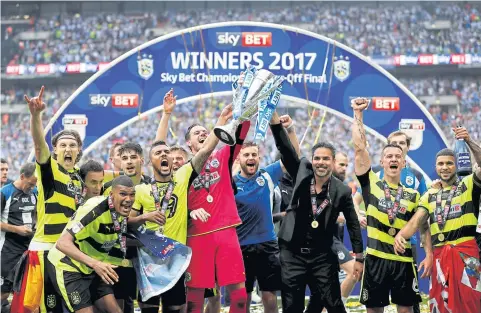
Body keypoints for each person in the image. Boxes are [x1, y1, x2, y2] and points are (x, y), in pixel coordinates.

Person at [131, 100, 233, 313]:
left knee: (176, 309)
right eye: (158, 154)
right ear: (150, 162)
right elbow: (128, 223)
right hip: (149, 261)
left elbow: (206, 149)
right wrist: (144, 217)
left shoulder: (182, 176)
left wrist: (221, 120)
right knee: (148, 309)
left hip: (175, 260)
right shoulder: (141, 190)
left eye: (166, 153)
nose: (164, 155)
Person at [156, 88, 250, 313]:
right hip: (196, 235)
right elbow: (157, 149)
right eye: (197, 132)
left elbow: (241, 133)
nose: (202, 133)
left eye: (205, 131)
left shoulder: (222, 157)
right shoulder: (181, 170)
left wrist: (243, 105)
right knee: (194, 302)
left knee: (239, 297)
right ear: (189, 144)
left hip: (226, 230)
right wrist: (166, 114)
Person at [270, 109, 364, 313]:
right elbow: (285, 148)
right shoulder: (302, 171)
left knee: (332, 304)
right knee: (291, 307)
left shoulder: (342, 191)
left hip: (322, 255)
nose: (321, 163)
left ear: (332, 162)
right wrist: (273, 119)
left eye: (326, 159)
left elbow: (353, 223)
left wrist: (359, 257)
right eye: (317, 158)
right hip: (292, 253)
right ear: (312, 161)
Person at [351, 98, 429, 313]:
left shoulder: (413, 194)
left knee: (406, 311)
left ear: (403, 162)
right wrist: (358, 114)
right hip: (376, 259)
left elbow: (424, 223)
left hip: (403, 261)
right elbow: (359, 149)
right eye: (389, 156)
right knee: (374, 310)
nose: (393, 159)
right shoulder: (371, 184)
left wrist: (429, 254)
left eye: (398, 156)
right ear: (382, 161)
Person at [394, 127, 481, 313]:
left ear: (456, 166)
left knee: (472, 303)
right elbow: (417, 221)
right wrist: (401, 236)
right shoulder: (430, 194)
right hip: (440, 257)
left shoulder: (468, 184)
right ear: (435, 167)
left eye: (449, 163)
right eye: (440, 164)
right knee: (441, 305)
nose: (445, 167)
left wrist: (469, 142)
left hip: (467, 254)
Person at [13, 86, 83, 313]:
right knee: (48, 308)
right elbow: (38, 145)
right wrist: (36, 116)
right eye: (62, 145)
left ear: (79, 150)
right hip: (46, 252)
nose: (67, 148)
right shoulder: (50, 171)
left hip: (71, 251)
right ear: (55, 151)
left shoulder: (79, 177)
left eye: (72, 145)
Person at [234, 114, 299, 313]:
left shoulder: (268, 175)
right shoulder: (231, 182)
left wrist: (290, 131)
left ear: (259, 157)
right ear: (239, 159)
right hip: (240, 246)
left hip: (267, 245)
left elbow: (292, 157)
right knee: (241, 299)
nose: (251, 158)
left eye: (254, 154)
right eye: (246, 155)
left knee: (269, 296)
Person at [47, 176, 136, 313]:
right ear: (111, 195)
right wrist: (96, 264)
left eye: (132, 195)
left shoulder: (120, 212)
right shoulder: (95, 208)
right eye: (123, 194)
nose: (129, 199)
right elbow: (62, 243)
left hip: (92, 267)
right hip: (68, 266)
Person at [373, 130, 427, 313]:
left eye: (402, 144)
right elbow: (357, 198)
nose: (398, 147)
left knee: (409, 301)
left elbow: (423, 212)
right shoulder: (376, 174)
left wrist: (425, 245)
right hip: (379, 246)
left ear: (407, 147)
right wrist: (360, 215)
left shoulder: (417, 177)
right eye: (393, 143)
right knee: (376, 301)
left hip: (406, 245)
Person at [0, 162, 37, 312]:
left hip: (29, 250)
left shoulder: (35, 193)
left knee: (24, 290)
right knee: (4, 291)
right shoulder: (5, 193)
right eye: (30, 183)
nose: (32, 187)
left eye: (35, 184)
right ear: (22, 176)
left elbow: (38, 215)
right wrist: (16, 229)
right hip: (8, 250)